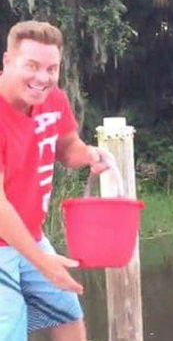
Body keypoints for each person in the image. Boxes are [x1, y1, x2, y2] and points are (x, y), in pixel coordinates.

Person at [0, 20, 111, 341]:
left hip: (30, 236)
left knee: (68, 316)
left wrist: (89, 154)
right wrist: (45, 265)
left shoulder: (54, 99)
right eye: (31, 66)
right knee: (9, 329)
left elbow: (67, 147)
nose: (42, 78)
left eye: (52, 68)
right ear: (8, 61)